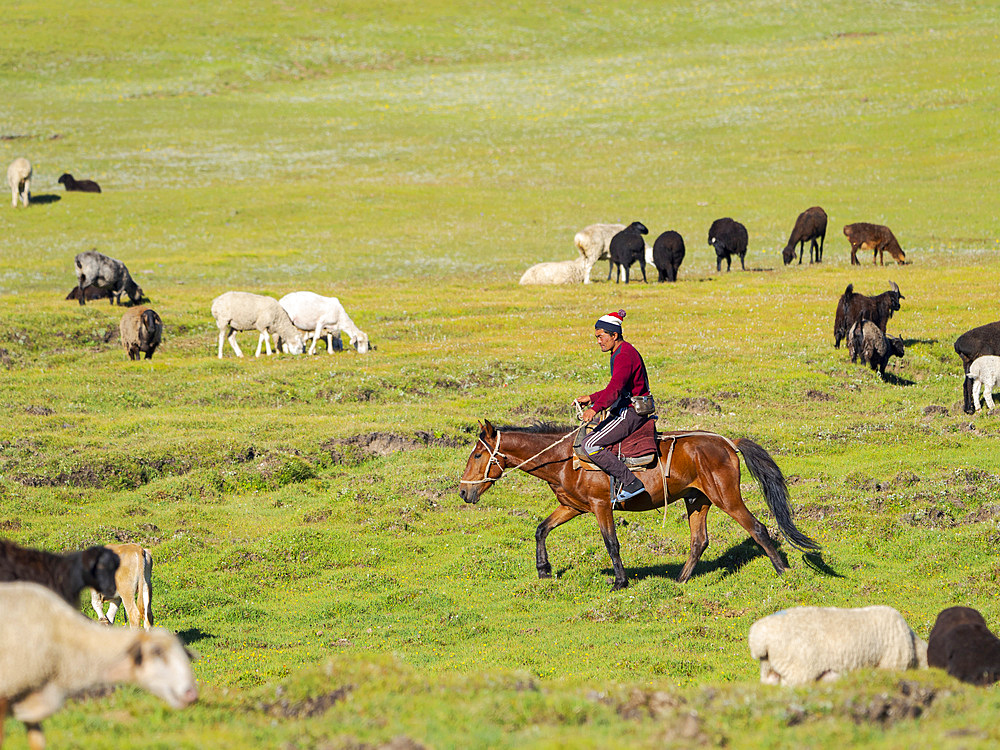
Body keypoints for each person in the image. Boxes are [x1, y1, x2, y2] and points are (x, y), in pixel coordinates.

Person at [575, 309, 654, 508]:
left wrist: (594, 409)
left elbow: (616, 389)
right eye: (597, 337)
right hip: (624, 405)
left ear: (614, 335)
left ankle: (631, 482)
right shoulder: (620, 351)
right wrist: (592, 398)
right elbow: (616, 386)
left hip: (631, 411)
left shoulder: (624, 355)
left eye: (601, 336)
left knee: (590, 444)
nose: (598, 341)